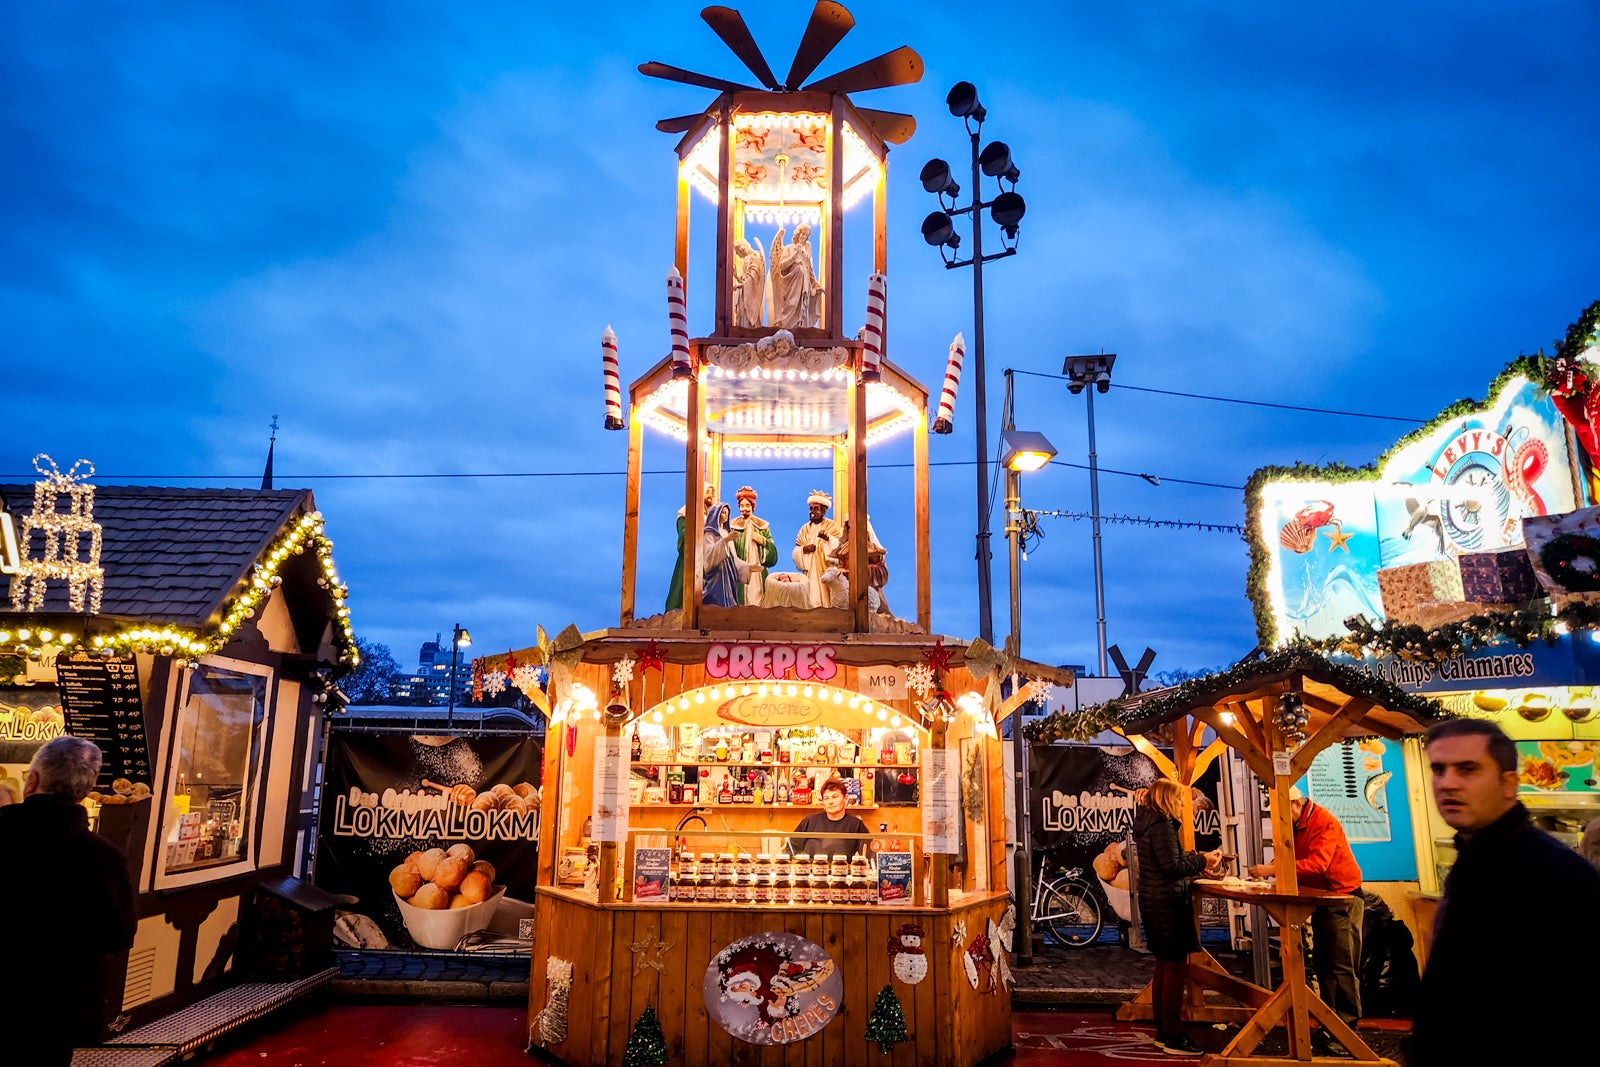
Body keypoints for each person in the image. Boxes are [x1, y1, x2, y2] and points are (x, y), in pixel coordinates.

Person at [1407, 718, 1600, 1067]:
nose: (1447, 783)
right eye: (1438, 769)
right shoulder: (1472, 864)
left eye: (1467, 769)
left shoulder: (1555, 875)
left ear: (1508, 783)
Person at [0, 736, 137, 1066]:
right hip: (58, 1007)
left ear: (32, 781)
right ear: (86, 791)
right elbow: (118, 935)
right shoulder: (104, 857)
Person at [1247, 785, 1364, 1033]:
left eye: (1280, 811)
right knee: (1324, 961)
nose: (1276, 818)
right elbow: (1292, 856)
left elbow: (1318, 864)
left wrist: (1272, 870)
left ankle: (1347, 1027)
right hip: (1323, 898)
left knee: (1340, 964)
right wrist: (1275, 867)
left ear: (1296, 804)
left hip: (1343, 897)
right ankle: (1331, 1023)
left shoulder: (1324, 823)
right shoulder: (1296, 823)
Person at [1132, 778, 1222, 1057]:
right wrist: (1203, 860)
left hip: (1155, 902)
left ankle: (1164, 1029)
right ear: (1169, 800)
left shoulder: (1150, 824)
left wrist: (1194, 860)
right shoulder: (1161, 827)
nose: (1184, 806)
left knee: (1164, 967)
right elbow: (1171, 867)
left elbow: (1166, 862)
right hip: (1167, 905)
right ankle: (1172, 1034)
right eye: (1181, 800)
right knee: (1174, 969)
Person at [666, 481, 717, 611]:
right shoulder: (686, 515)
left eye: (711, 493)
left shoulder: (711, 518)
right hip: (691, 562)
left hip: (708, 563)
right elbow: (684, 539)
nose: (710, 496)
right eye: (707, 492)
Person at [788, 777, 868, 859]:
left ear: (845, 798)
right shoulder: (810, 821)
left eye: (834, 797)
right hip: (811, 870)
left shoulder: (856, 825)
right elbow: (791, 848)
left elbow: (868, 854)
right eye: (826, 798)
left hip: (842, 870)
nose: (830, 802)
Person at [792, 489, 842, 608]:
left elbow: (839, 548)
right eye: (811, 508)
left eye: (815, 509)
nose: (812, 512)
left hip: (824, 570)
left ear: (823, 511)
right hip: (809, 571)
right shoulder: (804, 529)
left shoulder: (832, 526)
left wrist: (827, 539)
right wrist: (804, 550)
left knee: (826, 599)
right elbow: (796, 551)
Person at [729, 486, 777, 606]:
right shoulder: (733, 526)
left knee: (758, 593)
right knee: (741, 595)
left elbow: (773, 552)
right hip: (741, 569)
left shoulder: (762, 526)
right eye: (742, 505)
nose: (744, 508)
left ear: (752, 506)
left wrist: (763, 541)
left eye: (747, 505)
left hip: (758, 568)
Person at [770, 224, 823, 329]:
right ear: (797, 234)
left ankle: (800, 328)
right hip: (791, 284)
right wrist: (794, 256)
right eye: (802, 234)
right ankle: (785, 330)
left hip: (804, 285)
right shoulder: (789, 248)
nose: (803, 237)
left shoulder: (806, 253)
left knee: (801, 309)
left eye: (806, 235)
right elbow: (781, 266)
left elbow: (810, 271)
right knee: (791, 304)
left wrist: (816, 285)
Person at [700, 502, 750, 608]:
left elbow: (733, 559)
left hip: (728, 577)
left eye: (727, 513)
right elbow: (708, 556)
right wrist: (725, 541)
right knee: (716, 605)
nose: (726, 515)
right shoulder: (710, 534)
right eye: (723, 513)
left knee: (730, 604)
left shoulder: (727, 533)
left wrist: (749, 567)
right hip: (716, 579)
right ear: (716, 515)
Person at [732, 237, 766, 328]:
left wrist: (737, 286)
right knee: (742, 317)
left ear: (742, 249)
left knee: (746, 320)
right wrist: (736, 276)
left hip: (749, 298)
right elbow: (745, 280)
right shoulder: (747, 259)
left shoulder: (751, 258)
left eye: (737, 250)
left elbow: (751, 279)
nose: (736, 253)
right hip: (744, 295)